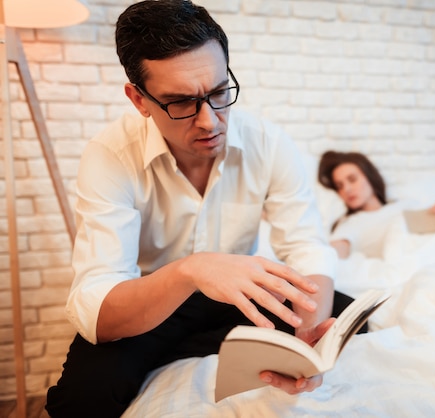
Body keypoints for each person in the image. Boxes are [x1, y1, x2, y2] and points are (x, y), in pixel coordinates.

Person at [45, 1, 356, 416]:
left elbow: (306, 245)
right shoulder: (110, 155)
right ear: (139, 100)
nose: (210, 121)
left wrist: (308, 332)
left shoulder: (269, 143)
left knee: (345, 316)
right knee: (80, 400)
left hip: (239, 296)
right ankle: (191, 345)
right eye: (180, 103)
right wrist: (192, 269)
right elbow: (95, 305)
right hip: (153, 305)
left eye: (218, 93)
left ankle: (199, 346)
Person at [318, 151, 435, 259]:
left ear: (370, 176)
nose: (346, 189)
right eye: (340, 186)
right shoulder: (349, 224)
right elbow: (330, 255)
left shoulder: (406, 204)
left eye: (352, 179)